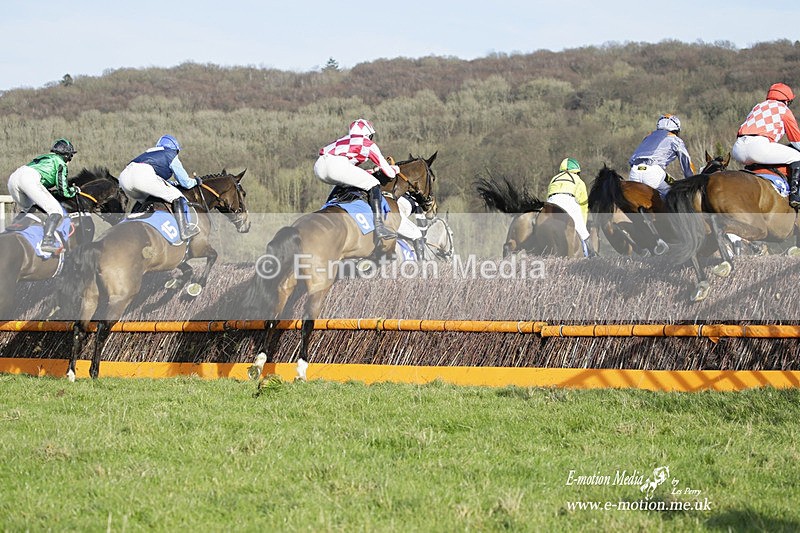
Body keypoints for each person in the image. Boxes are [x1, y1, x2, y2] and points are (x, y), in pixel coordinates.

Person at [314, 118, 400, 245]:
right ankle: (380, 226)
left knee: (343, 183)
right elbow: (390, 173)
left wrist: (372, 170)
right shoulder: (368, 144)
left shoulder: (342, 140)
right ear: (368, 134)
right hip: (337, 166)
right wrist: (394, 168)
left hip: (319, 167)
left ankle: (325, 208)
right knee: (374, 184)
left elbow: (352, 174)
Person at [732, 82, 800, 208]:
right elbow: (796, 140)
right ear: (786, 100)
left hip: (738, 148)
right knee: (797, 157)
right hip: (758, 146)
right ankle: (796, 196)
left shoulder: (758, 107)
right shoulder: (784, 109)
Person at [119, 135, 200, 239]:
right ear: (175, 149)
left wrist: (172, 183)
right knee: (177, 197)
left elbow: (157, 182)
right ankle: (185, 230)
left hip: (124, 178)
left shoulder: (149, 153)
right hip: (141, 177)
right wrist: (196, 181)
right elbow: (185, 182)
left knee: (143, 202)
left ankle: (126, 224)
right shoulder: (170, 154)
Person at [7, 138, 78, 253]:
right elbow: (63, 190)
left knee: (29, 209)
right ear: (66, 155)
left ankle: (9, 231)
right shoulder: (60, 163)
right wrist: (75, 190)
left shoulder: (45, 158)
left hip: (14, 178)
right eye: (71, 156)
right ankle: (47, 241)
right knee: (56, 211)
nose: (70, 159)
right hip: (29, 179)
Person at [628, 114, 696, 198]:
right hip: (653, 173)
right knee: (676, 197)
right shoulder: (675, 139)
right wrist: (692, 182)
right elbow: (686, 164)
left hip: (634, 173)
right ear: (676, 130)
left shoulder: (647, 137)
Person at [546, 157, 596, 257]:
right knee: (584, 235)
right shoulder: (579, 181)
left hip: (550, 204)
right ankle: (591, 257)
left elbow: (548, 196)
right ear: (577, 171)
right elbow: (584, 206)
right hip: (568, 202)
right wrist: (583, 224)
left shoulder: (554, 179)